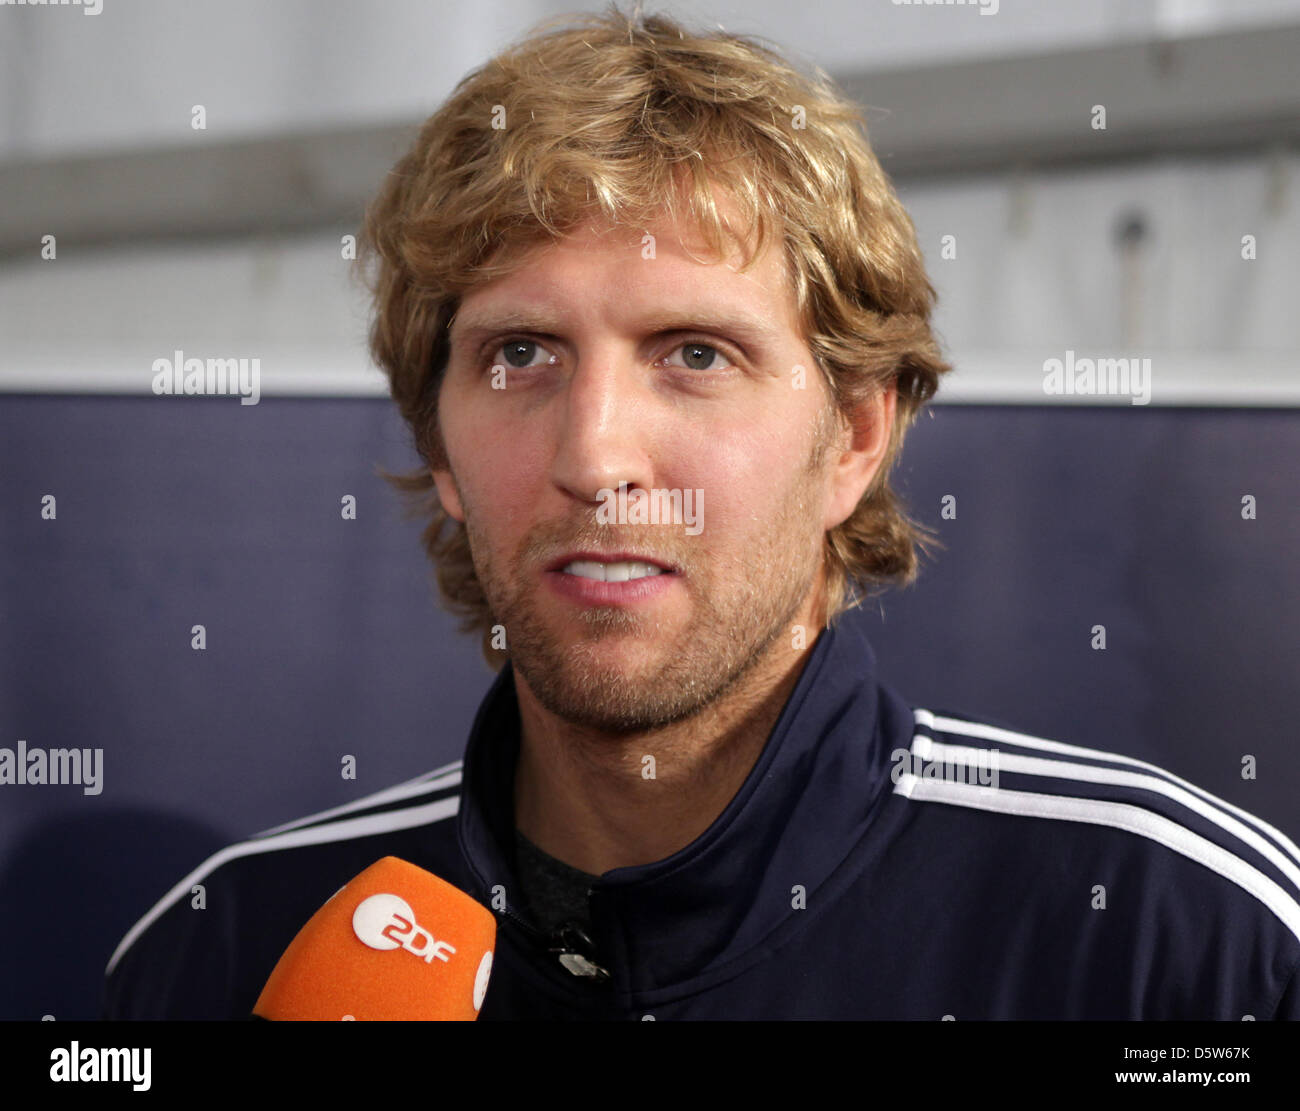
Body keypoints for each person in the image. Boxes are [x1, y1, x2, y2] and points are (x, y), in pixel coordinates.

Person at [103, 3, 1299, 1020]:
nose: (595, 456)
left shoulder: (1177, 944)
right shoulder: (221, 952)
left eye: (693, 353)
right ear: (440, 446)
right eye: (521, 353)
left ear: (854, 437)